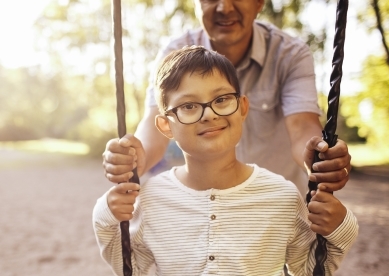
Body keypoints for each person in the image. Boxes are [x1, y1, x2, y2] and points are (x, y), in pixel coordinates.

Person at [93, 46, 358, 276]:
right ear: (165, 126)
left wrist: (338, 229)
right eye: (188, 106)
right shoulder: (151, 198)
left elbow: (309, 269)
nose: (209, 115)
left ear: (242, 107)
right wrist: (106, 215)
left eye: (221, 100)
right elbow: (131, 268)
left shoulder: (282, 196)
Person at [102, 0, 351, 196]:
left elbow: (302, 126)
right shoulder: (174, 54)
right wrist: (136, 158)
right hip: (202, 203)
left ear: (259, 2)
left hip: (271, 203)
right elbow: (155, 122)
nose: (224, 7)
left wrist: (317, 157)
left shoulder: (290, 54)